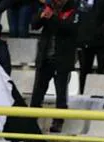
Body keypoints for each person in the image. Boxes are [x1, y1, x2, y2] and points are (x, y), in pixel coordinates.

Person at [29, 0, 80, 133]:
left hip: (62, 60)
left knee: (61, 94)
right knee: (37, 93)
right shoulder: (47, 7)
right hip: (45, 58)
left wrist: (52, 18)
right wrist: (41, 16)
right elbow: (34, 25)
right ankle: (31, 120)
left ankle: (58, 121)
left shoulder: (74, 10)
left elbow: (69, 29)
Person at [76, 0, 104, 94]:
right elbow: (78, 13)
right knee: (84, 69)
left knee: (102, 69)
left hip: (103, 40)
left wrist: (102, 29)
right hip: (84, 40)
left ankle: (101, 95)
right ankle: (83, 93)